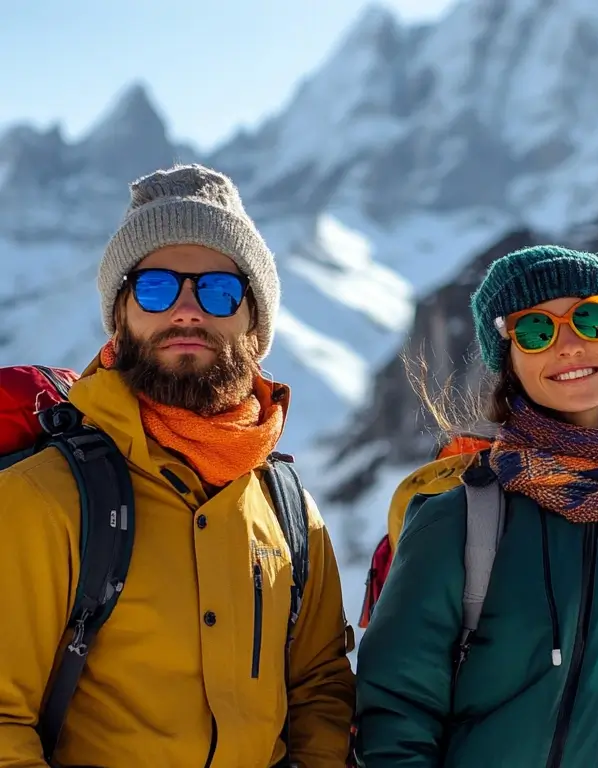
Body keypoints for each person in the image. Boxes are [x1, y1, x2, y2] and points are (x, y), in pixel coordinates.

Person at [0, 163, 356, 767]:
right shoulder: (43, 498)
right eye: (157, 288)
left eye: (218, 290)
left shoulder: (289, 510)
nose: (188, 311)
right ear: (122, 316)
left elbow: (319, 690)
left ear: (254, 321)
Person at [353, 245, 598, 767]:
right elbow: (393, 712)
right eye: (535, 331)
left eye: (591, 319)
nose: (568, 345)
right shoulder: (459, 524)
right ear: (510, 361)